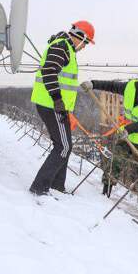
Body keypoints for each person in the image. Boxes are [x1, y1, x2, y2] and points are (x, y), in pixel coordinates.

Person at [80, 65, 138, 215]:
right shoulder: (130, 87)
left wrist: (129, 130)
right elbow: (111, 86)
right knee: (115, 162)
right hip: (125, 136)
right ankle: (105, 193)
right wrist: (93, 84)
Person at [29, 21, 95, 196]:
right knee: (63, 146)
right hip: (51, 105)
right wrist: (58, 100)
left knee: (65, 145)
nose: (84, 47)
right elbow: (49, 71)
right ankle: (39, 187)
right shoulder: (61, 46)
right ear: (81, 37)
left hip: (56, 106)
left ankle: (57, 186)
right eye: (86, 43)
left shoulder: (65, 47)